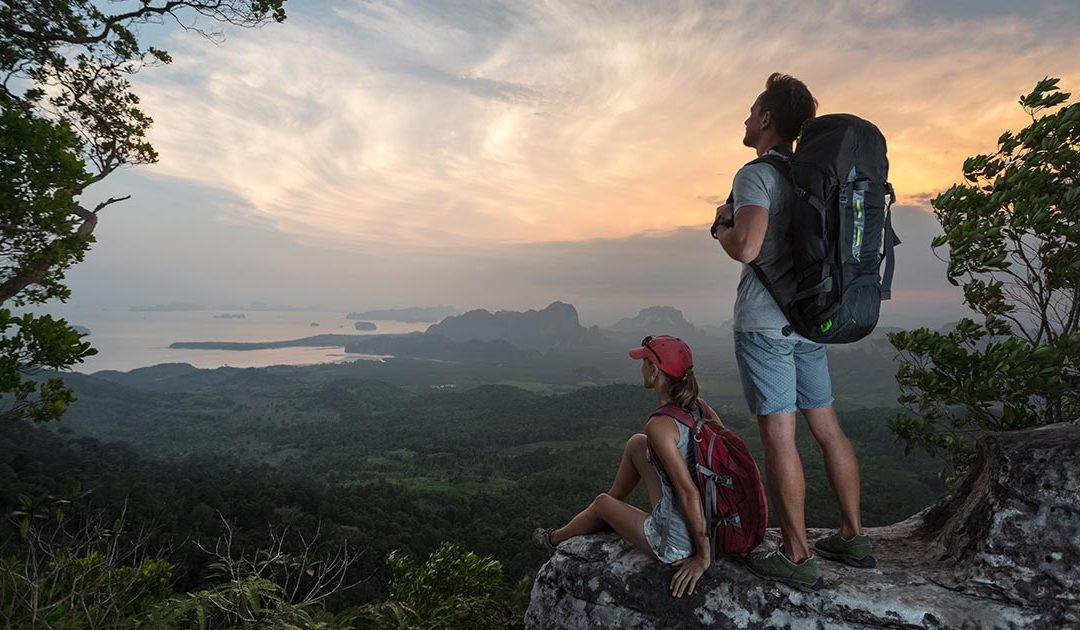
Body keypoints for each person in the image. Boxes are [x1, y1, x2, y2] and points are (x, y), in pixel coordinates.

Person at [711, 73, 876, 591]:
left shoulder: (755, 174)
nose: (744, 119)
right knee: (827, 429)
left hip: (765, 326)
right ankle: (852, 535)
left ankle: (797, 554)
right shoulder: (809, 174)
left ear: (765, 119)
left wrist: (721, 227)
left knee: (780, 437)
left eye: (750, 111)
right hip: (809, 318)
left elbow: (746, 247)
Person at [532, 335, 714, 598]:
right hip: (708, 516)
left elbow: (688, 493)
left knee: (601, 502)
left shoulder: (660, 425)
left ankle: (554, 538)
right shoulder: (701, 408)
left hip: (676, 541)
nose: (640, 367)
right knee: (637, 444)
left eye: (644, 362)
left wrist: (703, 557)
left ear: (654, 371)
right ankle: (610, 515)